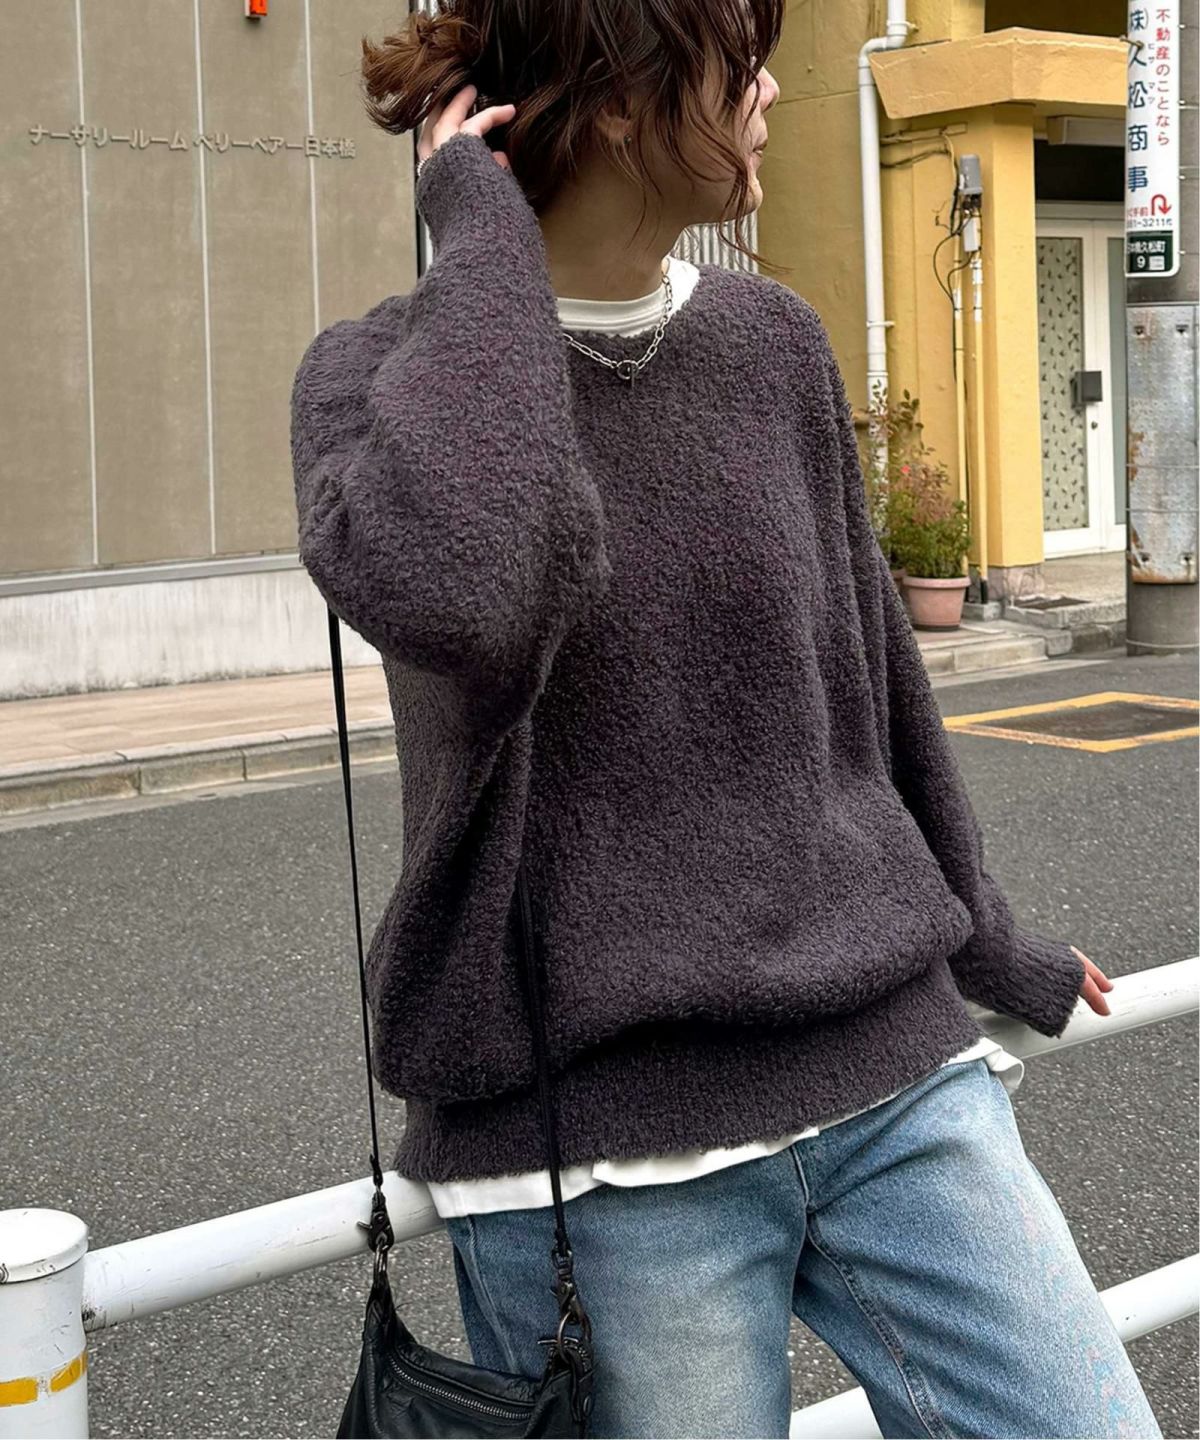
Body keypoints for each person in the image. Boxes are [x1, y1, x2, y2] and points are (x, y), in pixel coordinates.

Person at [289, 3, 1163, 1435]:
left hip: (891, 1076)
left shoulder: (772, 343)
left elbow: (876, 684)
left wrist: (986, 936)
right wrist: (483, 242)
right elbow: (474, 591)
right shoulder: (373, 383)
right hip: (600, 1158)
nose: (766, 93)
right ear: (620, 100)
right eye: (734, 61)